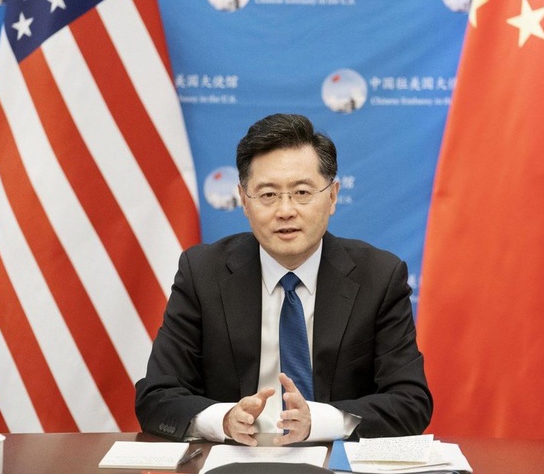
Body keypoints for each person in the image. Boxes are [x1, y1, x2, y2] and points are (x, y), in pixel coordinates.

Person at [135, 113, 432, 446]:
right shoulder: (202, 273)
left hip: (334, 459)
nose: (286, 210)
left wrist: (319, 421)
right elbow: (156, 396)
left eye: (302, 192)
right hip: (234, 459)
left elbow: (410, 402)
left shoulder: (378, 277)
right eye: (268, 195)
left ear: (332, 196)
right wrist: (224, 420)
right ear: (244, 200)